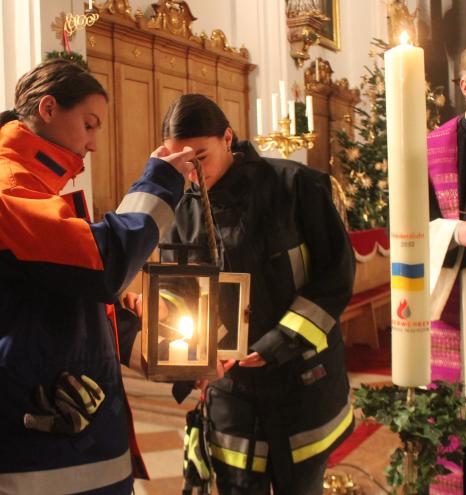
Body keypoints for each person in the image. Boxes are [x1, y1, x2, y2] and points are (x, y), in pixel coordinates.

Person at [0, 58, 195, 494]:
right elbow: (102, 264)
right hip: (40, 439)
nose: (92, 144)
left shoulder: (35, 185)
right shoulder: (10, 186)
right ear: (48, 108)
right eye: (89, 125)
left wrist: (130, 327)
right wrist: (161, 183)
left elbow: (63, 287)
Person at [160, 93, 356, 495]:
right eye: (180, 161)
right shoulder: (179, 211)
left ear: (227, 138)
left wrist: (279, 342)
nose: (193, 172)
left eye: (201, 156)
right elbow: (180, 298)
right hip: (230, 395)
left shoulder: (296, 185)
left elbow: (336, 275)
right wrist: (189, 362)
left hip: (301, 381)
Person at [428, 38, 466, 495]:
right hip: (456, 293)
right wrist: (454, 232)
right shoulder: (435, 147)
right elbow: (410, 227)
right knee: (459, 419)